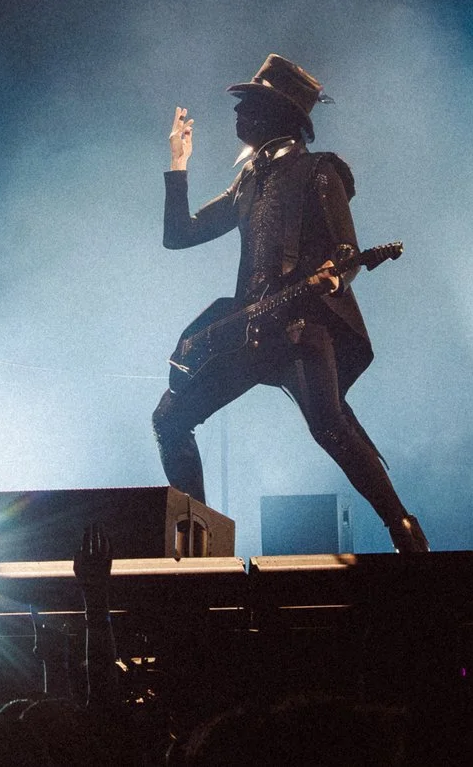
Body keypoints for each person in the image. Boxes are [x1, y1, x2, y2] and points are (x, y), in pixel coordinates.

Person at [151, 55, 428, 554]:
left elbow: (348, 254)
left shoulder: (320, 172)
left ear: (278, 116)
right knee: (170, 419)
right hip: (250, 329)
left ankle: (405, 533)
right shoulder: (247, 183)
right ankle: (197, 555)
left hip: (301, 328)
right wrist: (178, 162)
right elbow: (179, 234)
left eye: (249, 106)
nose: (238, 116)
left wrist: (334, 278)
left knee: (330, 427)